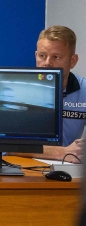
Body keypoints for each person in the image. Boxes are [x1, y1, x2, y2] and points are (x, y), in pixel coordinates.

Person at [35, 25, 83, 162]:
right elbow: (6, 146)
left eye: (56, 57)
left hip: (66, 168)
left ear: (73, 61)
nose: (47, 63)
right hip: (20, 168)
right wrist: (61, 152)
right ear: (36, 55)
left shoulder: (84, 90)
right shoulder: (18, 86)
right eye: (42, 56)